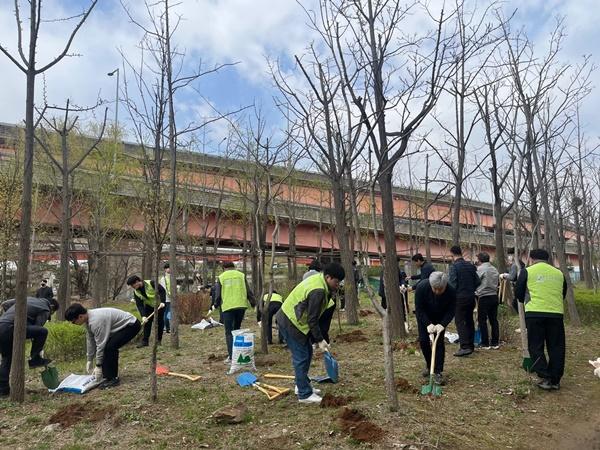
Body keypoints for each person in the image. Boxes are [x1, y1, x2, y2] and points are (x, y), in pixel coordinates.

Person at [276, 262, 345, 404]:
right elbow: (312, 319)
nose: (337, 285)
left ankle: (301, 385)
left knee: (307, 353)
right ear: (328, 277)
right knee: (301, 356)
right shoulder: (318, 291)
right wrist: (320, 340)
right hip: (291, 321)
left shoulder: (319, 281)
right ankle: (304, 394)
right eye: (336, 282)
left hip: (296, 320)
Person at [515, 249, 567, 391]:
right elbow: (563, 292)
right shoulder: (559, 273)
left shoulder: (528, 271)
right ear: (547, 259)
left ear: (531, 259)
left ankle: (545, 376)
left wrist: (525, 300)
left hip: (535, 313)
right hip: (556, 314)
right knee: (556, 346)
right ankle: (555, 379)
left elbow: (518, 292)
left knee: (536, 345)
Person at [65, 303, 141, 390]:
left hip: (131, 325)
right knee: (107, 347)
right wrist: (89, 359)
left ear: (80, 316)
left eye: (73, 321)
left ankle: (113, 378)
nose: (73, 323)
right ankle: (107, 376)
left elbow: (101, 345)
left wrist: (98, 365)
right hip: (123, 326)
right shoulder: (88, 319)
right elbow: (90, 340)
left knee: (109, 347)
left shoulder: (96, 321)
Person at [0, 297, 58, 396]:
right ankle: (35, 359)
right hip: (11, 327)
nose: (48, 316)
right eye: (50, 314)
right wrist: (38, 350)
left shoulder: (27, 299)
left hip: (2, 324)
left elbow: (5, 304)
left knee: (7, 358)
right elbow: (39, 327)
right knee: (43, 331)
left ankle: (3, 390)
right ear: (52, 307)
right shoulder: (45, 308)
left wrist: (13, 317)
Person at [415, 272, 456, 385]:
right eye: (435, 289)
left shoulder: (451, 291)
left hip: (440, 319)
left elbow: (451, 310)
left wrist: (442, 324)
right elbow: (419, 309)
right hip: (424, 318)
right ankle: (430, 366)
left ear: (445, 286)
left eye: (440, 289)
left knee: (438, 343)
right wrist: (428, 324)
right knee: (423, 341)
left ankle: (437, 371)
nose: (437, 291)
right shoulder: (422, 287)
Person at [212, 262, 255, 364]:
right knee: (237, 330)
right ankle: (239, 353)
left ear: (224, 268)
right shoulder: (241, 275)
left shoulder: (221, 277)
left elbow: (217, 294)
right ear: (234, 267)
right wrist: (253, 304)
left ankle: (232, 357)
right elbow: (249, 291)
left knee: (229, 332)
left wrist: (215, 305)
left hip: (228, 307)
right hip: (241, 306)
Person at [448, 246, 480, 357]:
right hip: (471, 297)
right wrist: (471, 288)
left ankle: (465, 346)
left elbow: (452, 284)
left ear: (452, 254)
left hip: (459, 298)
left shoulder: (454, 267)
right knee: (469, 320)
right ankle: (471, 345)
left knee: (460, 321)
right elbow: (478, 281)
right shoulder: (471, 266)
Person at [126, 275, 166, 347]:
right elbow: (140, 305)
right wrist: (143, 316)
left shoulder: (151, 283)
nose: (133, 287)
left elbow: (162, 290)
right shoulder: (136, 292)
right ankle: (145, 341)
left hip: (159, 306)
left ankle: (159, 340)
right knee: (147, 323)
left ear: (137, 281)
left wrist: (163, 302)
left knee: (160, 323)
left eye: (133, 285)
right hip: (149, 306)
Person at [475, 252, 500, 349]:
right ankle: (495, 342)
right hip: (494, 296)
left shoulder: (480, 269)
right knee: (494, 320)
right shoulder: (494, 269)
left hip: (483, 296)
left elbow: (476, 280)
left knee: (482, 320)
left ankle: (485, 343)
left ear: (480, 260)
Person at [159, 263, 172, 334]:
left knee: (169, 313)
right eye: (168, 268)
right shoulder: (163, 278)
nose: (170, 269)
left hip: (171, 299)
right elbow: (164, 289)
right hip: (166, 299)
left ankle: (167, 327)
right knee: (166, 313)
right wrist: (170, 294)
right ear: (165, 269)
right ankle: (166, 328)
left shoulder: (171, 277)